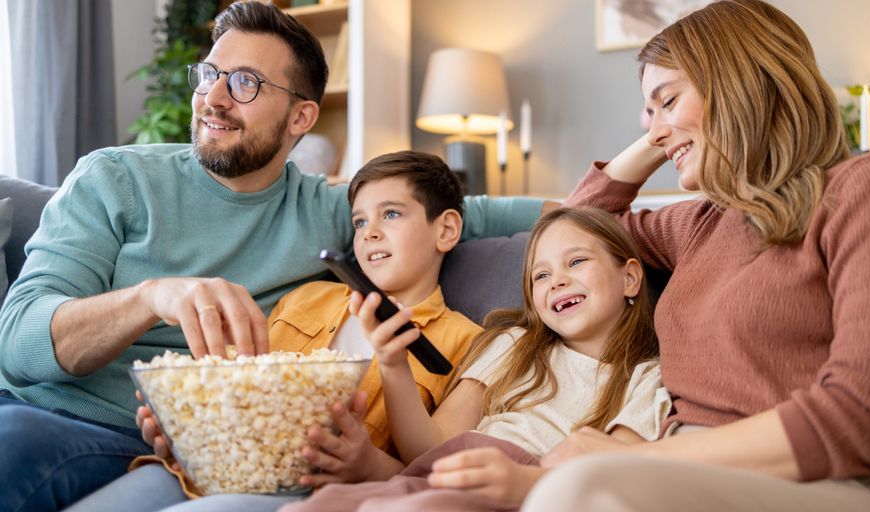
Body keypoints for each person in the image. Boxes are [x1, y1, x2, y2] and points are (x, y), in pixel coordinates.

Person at [0, 3, 546, 511]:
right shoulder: (114, 179)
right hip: (36, 405)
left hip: (136, 435)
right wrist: (153, 296)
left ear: (301, 117)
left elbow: (474, 212)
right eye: (210, 74)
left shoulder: (336, 213)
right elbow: (20, 341)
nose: (213, 98)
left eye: (245, 84)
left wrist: (628, 197)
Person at [521, 1, 870, 511]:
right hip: (686, 470)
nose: (653, 132)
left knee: (577, 492)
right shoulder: (702, 222)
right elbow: (578, 230)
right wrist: (670, 128)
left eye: (668, 100)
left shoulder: (868, 187)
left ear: (737, 83)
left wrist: (636, 462)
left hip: (829, 479)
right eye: (649, 113)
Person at [65, 150, 485, 511]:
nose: (370, 231)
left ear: (446, 229)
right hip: (201, 469)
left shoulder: (466, 342)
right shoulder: (307, 298)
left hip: (309, 491)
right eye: (358, 222)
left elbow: (432, 469)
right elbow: (243, 382)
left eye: (391, 214)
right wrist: (185, 423)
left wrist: (368, 466)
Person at [279, 207, 670, 512]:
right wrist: (393, 361)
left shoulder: (649, 377)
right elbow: (429, 450)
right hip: (448, 473)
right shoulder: (515, 345)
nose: (557, 281)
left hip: (532, 488)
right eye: (540, 275)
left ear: (630, 279)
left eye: (577, 262)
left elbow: (611, 471)